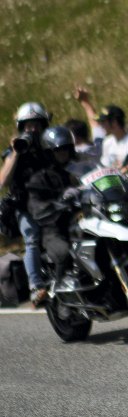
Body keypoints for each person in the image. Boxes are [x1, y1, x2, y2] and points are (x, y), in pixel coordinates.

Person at [0, 102, 52, 305]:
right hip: (26, 206)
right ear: (21, 127)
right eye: (28, 125)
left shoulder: (50, 146)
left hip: (52, 201)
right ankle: (36, 286)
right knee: (32, 238)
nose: (32, 130)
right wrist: (16, 152)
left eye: (36, 124)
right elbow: (3, 181)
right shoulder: (14, 151)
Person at [24, 127, 80, 289]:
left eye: (65, 148)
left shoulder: (79, 169)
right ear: (49, 153)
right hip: (55, 228)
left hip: (81, 221)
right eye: (58, 150)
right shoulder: (40, 178)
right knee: (63, 251)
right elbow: (35, 206)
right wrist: (57, 205)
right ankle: (58, 287)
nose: (63, 153)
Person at [73, 88, 128, 169]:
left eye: (104, 122)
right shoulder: (108, 142)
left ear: (114, 122)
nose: (101, 125)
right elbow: (104, 167)